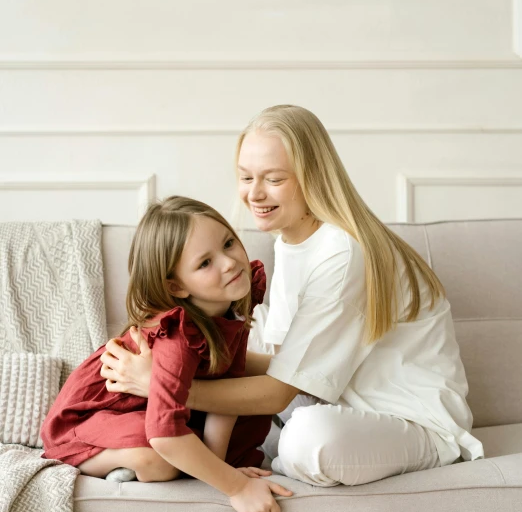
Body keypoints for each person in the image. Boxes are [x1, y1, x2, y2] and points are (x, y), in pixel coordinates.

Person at [100, 104, 485, 488]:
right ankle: (134, 459)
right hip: (331, 403)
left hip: (411, 422)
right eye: (246, 177)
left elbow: (278, 392)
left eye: (274, 179)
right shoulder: (290, 239)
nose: (255, 193)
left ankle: (268, 461)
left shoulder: (342, 252)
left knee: (306, 437)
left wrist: (162, 385)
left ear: (311, 176)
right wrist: (171, 366)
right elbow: (285, 365)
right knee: (209, 425)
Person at [40, 195, 293, 512]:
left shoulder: (229, 303)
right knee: (159, 459)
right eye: (205, 263)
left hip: (153, 409)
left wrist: (217, 470)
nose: (229, 262)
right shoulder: (178, 336)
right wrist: (236, 488)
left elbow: (228, 387)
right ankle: (101, 463)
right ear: (177, 286)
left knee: (248, 422)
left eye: (229, 243)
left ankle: (179, 465)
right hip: (89, 419)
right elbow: (163, 431)